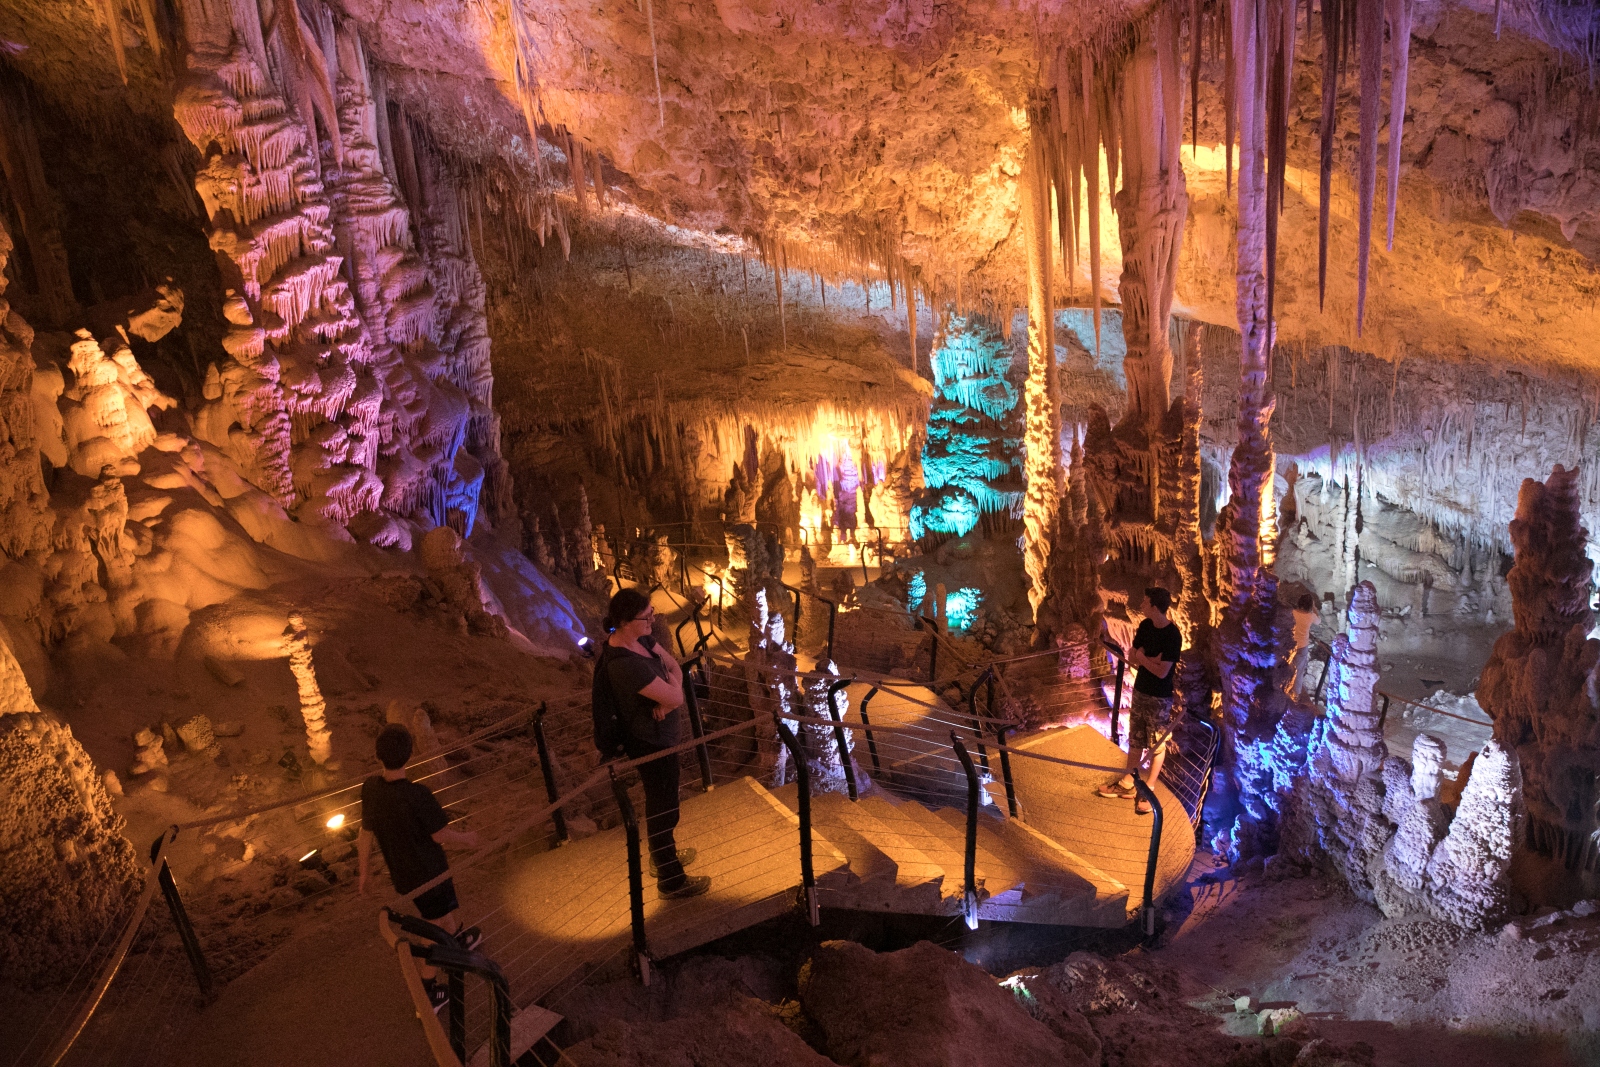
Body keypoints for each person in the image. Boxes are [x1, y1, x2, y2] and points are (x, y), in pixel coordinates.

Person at [593, 588, 712, 899]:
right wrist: (673, 698)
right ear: (626, 621)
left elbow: (675, 668)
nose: (653, 620)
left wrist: (671, 700)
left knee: (667, 802)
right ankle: (671, 879)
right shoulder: (624, 664)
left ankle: (663, 857)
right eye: (647, 616)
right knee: (662, 806)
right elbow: (677, 690)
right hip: (649, 742)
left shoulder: (643, 640)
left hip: (663, 736)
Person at [357, 723, 480, 1012]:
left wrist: (363, 873)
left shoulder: (371, 789)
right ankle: (428, 991)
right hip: (430, 873)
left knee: (438, 912)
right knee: (432, 924)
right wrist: (469, 839)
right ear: (410, 755)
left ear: (378, 756)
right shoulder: (419, 795)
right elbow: (440, 836)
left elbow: (364, 834)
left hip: (403, 874)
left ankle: (456, 943)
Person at [1097, 587, 1183, 816]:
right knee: (1135, 740)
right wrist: (1148, 660)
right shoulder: (1145, 626)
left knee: (1156, 745)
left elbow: (1163, 672)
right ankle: (1127, 783)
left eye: (1145, 602)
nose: (1142, 605)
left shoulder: (1173, 635)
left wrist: (1144, 659)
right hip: (1141, 691)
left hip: (1159, 697)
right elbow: (1133, 654)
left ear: (1155, 606)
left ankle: (1148, 789)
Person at [1286, 592, 1319, 699]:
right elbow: (1319, 621)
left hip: (1290, 645)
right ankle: (1295, 694)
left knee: (1287, 667)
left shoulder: (1293, 612)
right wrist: (1314, 608)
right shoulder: (1311, 616)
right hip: (1302, 647)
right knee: (1299, 671)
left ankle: (1284, 687)